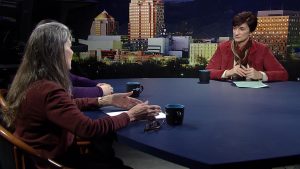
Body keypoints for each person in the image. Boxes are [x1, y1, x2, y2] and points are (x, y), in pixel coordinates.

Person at [2, 22, 161, 169]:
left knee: (108, 158)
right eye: (69, 47)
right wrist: (131, 115)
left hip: (39, 158)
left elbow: (64, 106)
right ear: (56, 52)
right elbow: (89, 129)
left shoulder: (33, 80)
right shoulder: (48, 89)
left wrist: (104, 100)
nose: (72, 52)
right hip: (53, 163)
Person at [36, 19, 113, 98]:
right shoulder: (43, 79)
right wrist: (100, 91)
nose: (72, 52)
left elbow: (74, 79)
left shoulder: (49, 70)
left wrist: (96, 85)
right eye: (69, 47)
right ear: (55, 50)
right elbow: (67, 93)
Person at [206, 11, 288, 82]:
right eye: (234, 28)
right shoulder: (223, 47)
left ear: (251, 32)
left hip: (254, 94)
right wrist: (228, 72)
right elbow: (207, 72)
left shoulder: (262, 49)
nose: (236, 33)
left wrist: (260, 75)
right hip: (227, 92)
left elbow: (283, 74)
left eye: (241, 29)